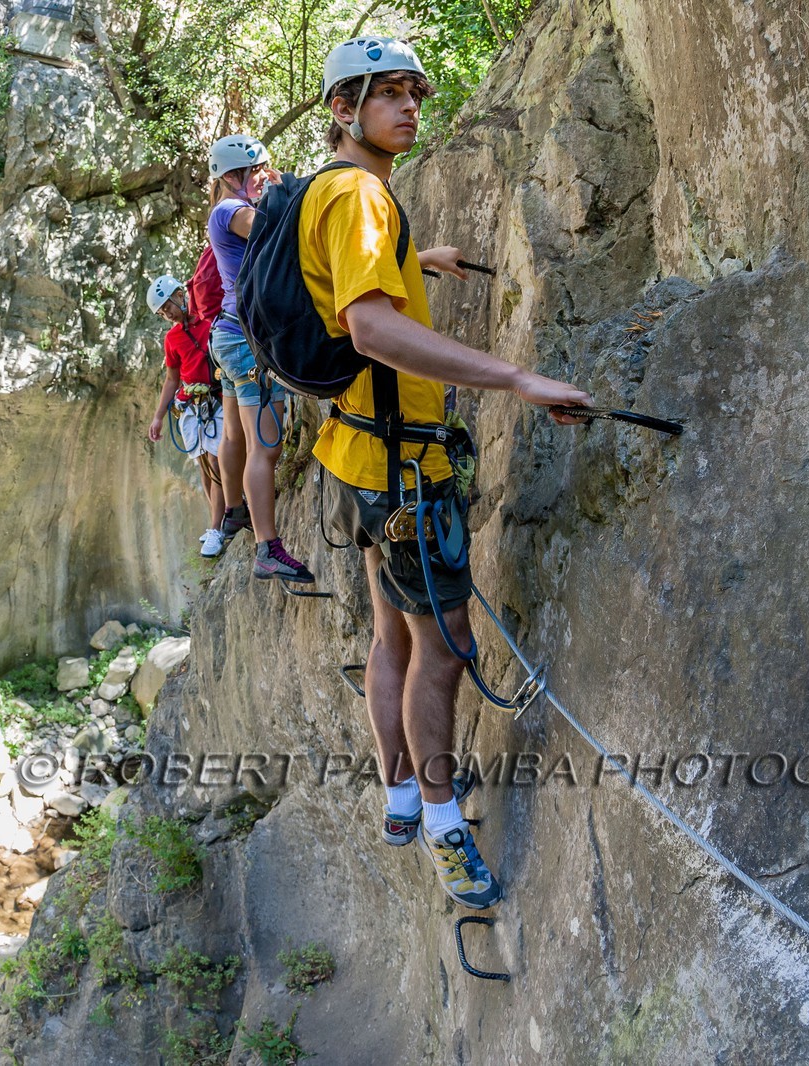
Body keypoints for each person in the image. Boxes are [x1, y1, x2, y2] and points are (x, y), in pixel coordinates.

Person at [303, 36, 591, 908]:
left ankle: (400, 795)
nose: (409, 107)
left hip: (356, 452)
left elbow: (347, 290)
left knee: (390, 638)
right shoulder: (361, 194)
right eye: (388, 93)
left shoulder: (331, 191)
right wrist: (516, 378)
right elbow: (369, 327)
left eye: (414, 94)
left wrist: (417, 262)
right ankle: (443, 823)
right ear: (343, 109)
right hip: (403, 472)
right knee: (444, 650)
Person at [206, 134, 314, 582]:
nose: (258, 177)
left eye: (259, 169)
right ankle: (268, 547)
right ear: (230, 177)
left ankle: (234, 511)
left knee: (235, 434)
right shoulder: (231, 211)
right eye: (250, 171)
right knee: (265, 447)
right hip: (245, 342)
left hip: (229, 335)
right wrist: (285, 187)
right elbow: (273, 225)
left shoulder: (226, 208)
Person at [144, 275, 226, 557]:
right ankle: (218, 521)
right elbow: (171, 379)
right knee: (204, 465)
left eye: (167, 307)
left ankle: (216, 528)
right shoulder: (172, 339)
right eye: (161, 313)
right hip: (193, 405)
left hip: (217, 398)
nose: (167, 315)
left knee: (215, 460)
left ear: (180, 295)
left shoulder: (209, 320)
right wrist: (158, 416)